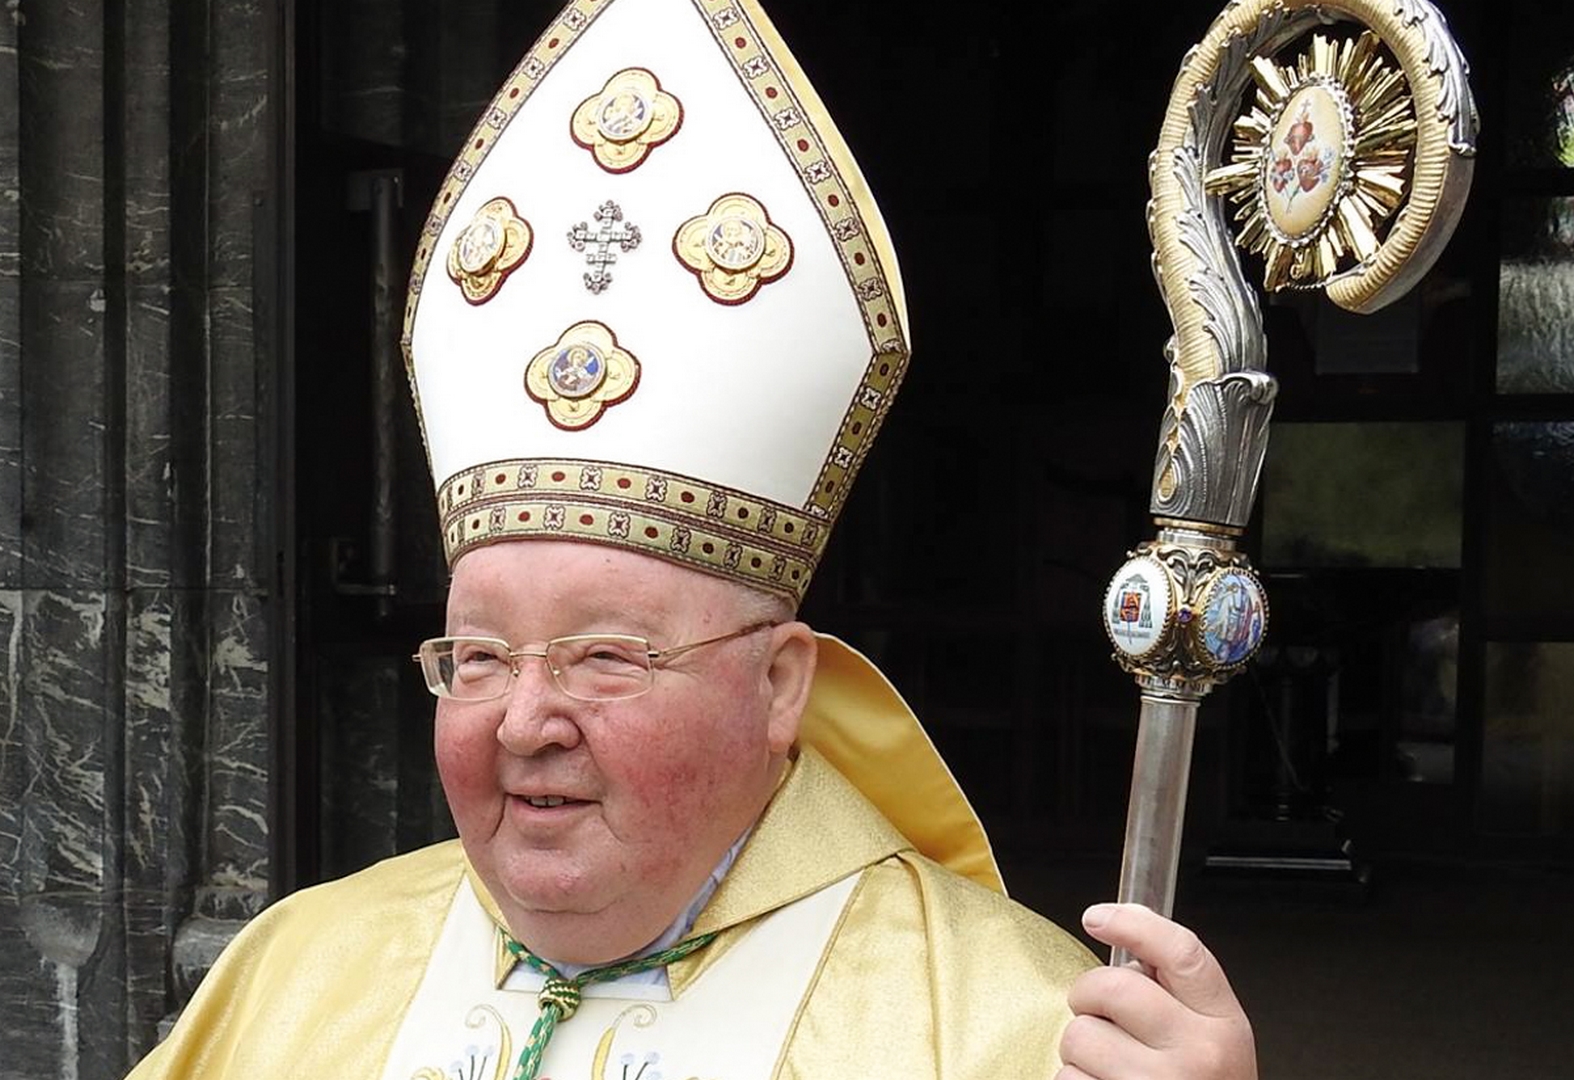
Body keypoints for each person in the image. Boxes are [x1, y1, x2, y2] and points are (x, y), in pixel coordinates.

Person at [127, 1, 1258, 1077]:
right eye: (475, 660)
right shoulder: (301, 969)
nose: (524, 720)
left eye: (607, 656)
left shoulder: (1010, 1028)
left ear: (780, 685)